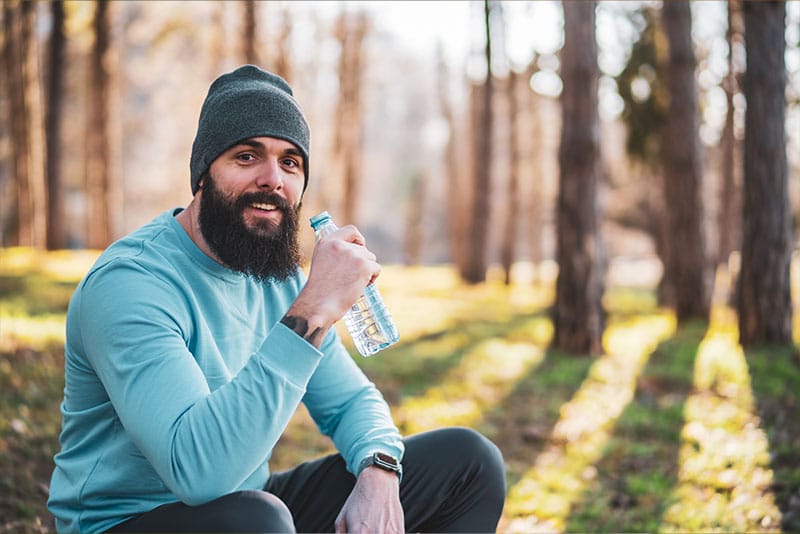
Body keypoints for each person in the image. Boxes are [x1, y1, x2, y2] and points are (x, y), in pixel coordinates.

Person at [47, 64, 506, 533]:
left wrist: (379, 469)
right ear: (204, 172)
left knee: (469, 463)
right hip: (128, 522)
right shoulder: (132, 282)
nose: (274, 179)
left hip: (249, 510)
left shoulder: (273, 278)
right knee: (258, 520)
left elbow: (350, 402)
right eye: (247, 157)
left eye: (290, 162)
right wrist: (312, 311)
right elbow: (198, 473)